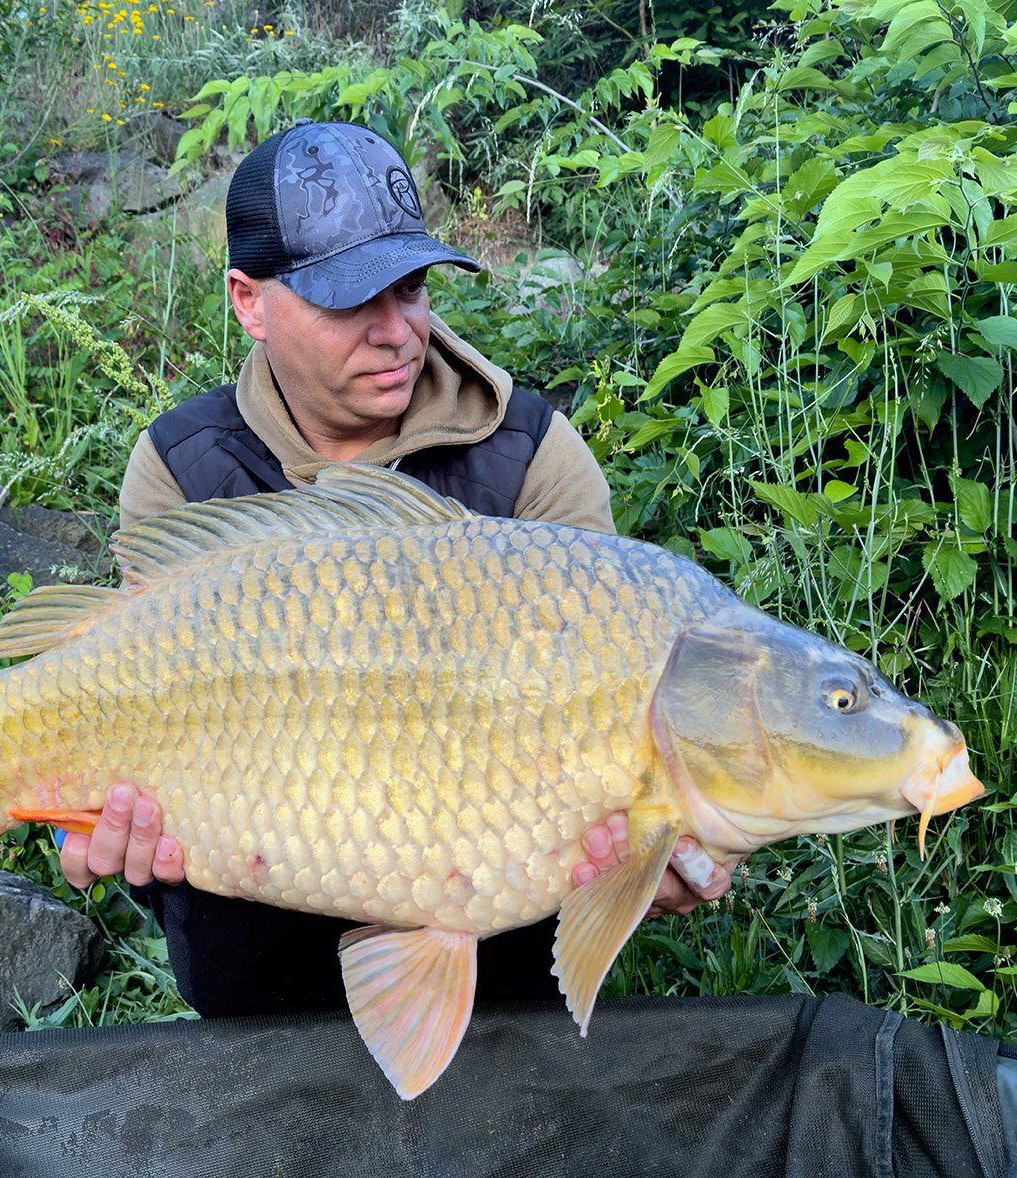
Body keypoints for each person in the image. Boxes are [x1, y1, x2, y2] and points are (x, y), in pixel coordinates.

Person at [59, 119, 733, 1018]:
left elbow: (629, 718)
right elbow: (133, 709)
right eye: (348, 302)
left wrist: (662, 846)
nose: (397, 332)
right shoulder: (183, 466)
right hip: (255, 979)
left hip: (505, 983)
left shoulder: (532, 456)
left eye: (409, 288)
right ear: (248, 302)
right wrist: (110, 838)